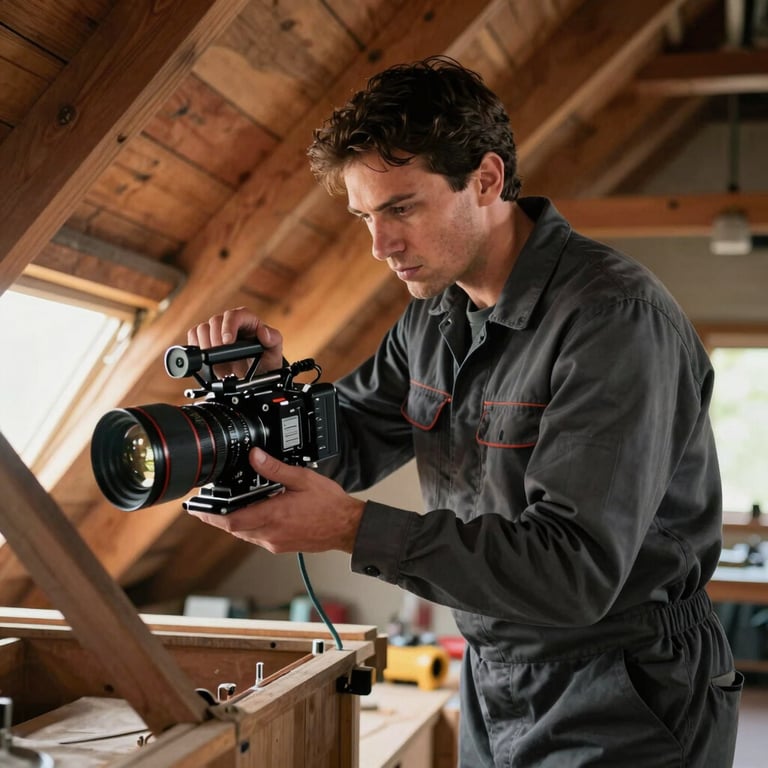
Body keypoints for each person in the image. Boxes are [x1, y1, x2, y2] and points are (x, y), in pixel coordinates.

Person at [187, 57, 741, 766]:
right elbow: (345, 438)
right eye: (364, 217)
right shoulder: (432, 318)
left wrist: (351, 529)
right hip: (493, 676)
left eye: (402, 208)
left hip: (625, 687)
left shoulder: (612, 320)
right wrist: (266, 401)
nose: (380, 247)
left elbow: (575, 573)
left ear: (486, 179)